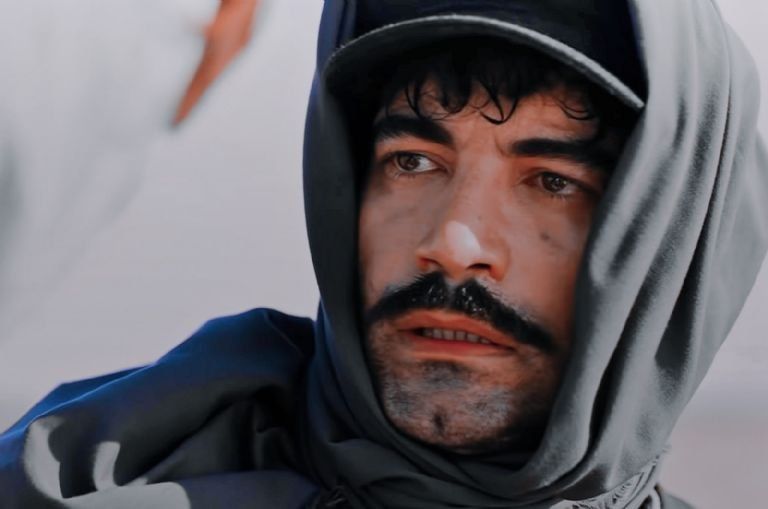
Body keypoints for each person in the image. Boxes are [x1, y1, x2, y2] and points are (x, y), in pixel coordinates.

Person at [1, 1, 766, 508]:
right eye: (413, 162)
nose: (454, 245)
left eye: (552, 182)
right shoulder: (82, 480)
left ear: (671, 241)